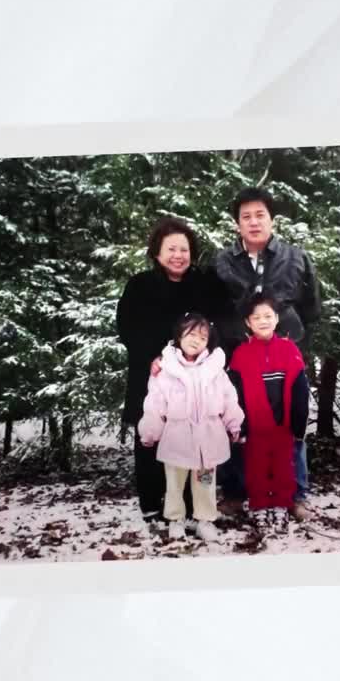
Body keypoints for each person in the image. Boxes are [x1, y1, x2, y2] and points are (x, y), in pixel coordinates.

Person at [116, 217, 231, 530]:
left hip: (197, 375)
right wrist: (153, 357)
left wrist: (211, 357)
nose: (178, 255)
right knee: (151, 436)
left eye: (184, 249)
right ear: (157, 252)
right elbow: (127, 327)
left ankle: (193, 506)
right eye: (171, 249)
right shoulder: (140, 285)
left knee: (195, 438)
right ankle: (152, 505)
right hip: (153, 372)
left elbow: (222, 323)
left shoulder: (205, 284)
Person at [214, 187, 322, 522]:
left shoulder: (296, 257)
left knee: (290, 423)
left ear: (272, 220)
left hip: (284, 356)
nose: (254, 222)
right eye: (246, 216)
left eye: (260, 215)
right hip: (238, 357)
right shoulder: (221, 262)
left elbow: (312, 308)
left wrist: (293, 341)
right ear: (237, 224)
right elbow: (213, 308)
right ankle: (235, 494)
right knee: (236, 423)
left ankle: (296, 495)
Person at [137, 313, 244, 542]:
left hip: (207, 440)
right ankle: (176, 520)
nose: (197, 340)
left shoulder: (215, 370)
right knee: (175, 484)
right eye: (192, 334)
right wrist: (150, 431)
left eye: (203, 337)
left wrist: (233, 423)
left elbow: (229, 398)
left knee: (205, 483)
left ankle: (205, 520)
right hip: (177, 438)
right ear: (179, 335)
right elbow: (154, 403)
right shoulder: (166, 370)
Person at [228, 294, 310, 533]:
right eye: (256, 317)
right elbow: (234, 394)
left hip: (283, 424)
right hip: (254, 426)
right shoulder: (241, 354)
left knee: (284, 466)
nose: (263, 321)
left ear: (276, 318)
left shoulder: (289, 349)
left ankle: (282, 504)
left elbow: (300, 389)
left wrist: (299, 423)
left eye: (268, 316)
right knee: (256, 467)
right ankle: (260, 505)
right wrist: (240, 426)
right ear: (248, 322)